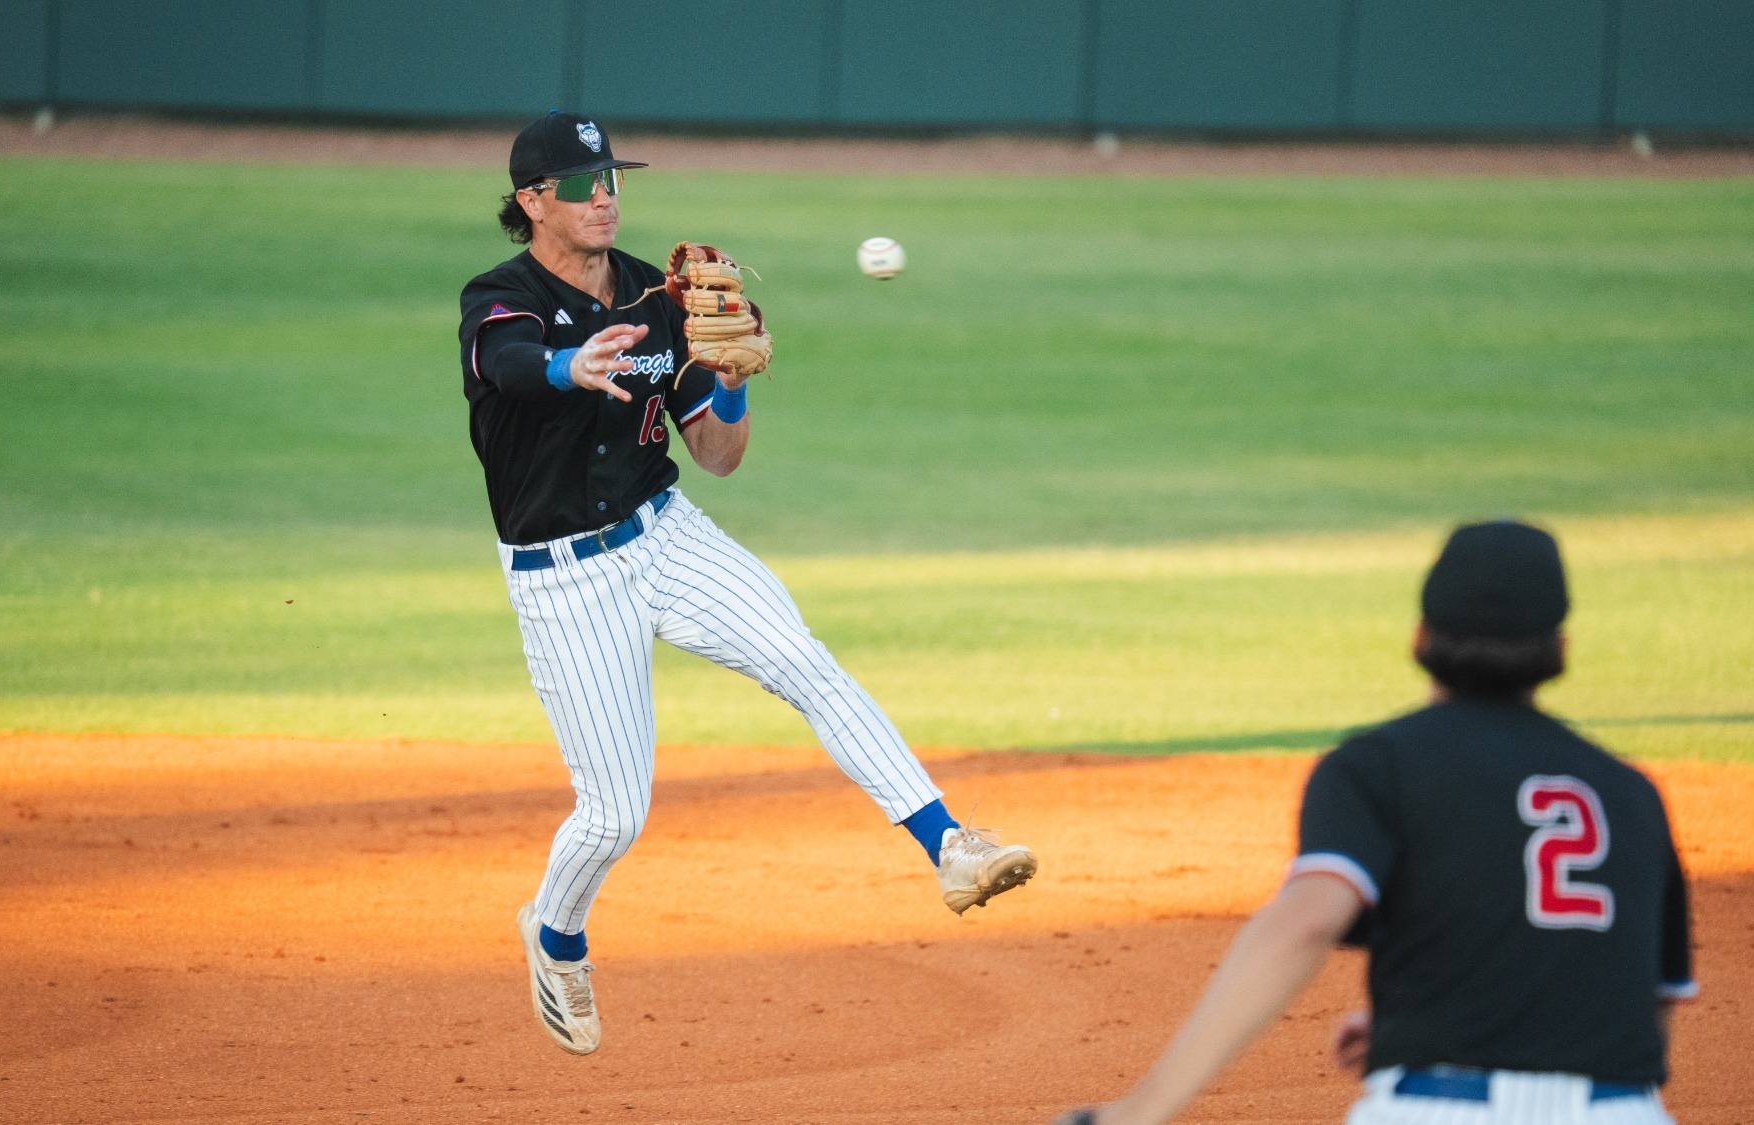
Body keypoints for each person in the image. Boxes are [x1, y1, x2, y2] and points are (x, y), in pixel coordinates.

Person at [457, 111, 1037, 1056]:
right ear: (533, 202)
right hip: (564, 581)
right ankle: (556, 934)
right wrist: (572, 363)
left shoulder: (660, 294)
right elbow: (505, 362)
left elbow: (718, 456)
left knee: (801, 659)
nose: (603, 194)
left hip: (667, 534)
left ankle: (950, 843)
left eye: (611, 178)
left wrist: (727, 380)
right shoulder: (501, 296)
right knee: (612, 814)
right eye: (579, 183)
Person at [1051, 520, 1696, 1125]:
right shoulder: (1632, 794)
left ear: (1420, 638)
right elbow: (1643, 1012)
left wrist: (1140, 1109)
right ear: (1560, 649)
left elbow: (1307, 920)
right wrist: (1426, 1023)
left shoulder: (1378, 766)